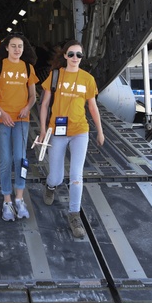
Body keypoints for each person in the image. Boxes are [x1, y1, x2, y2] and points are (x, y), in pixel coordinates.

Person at [36, 40, 104, 240]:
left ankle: (74, 215)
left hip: (79, 131)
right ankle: (50, 186)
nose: (75, 58)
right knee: (56, 176)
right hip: (57, 131)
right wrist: (42, 129)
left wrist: (99, 131)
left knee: (76, 176)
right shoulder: (55, 75)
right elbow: (44, 103)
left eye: (79, 55)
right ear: (65, 56)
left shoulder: (88, 79)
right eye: (71, 54)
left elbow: (92, 107)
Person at [0, 33, 39, 221]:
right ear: (7, 48)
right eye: (13, 46)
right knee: (5, 159)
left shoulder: (28, 67)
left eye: (20, 46)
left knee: (21, 158)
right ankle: (7, 201)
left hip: (20, 119)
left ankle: (19, 199)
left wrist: (27, 108)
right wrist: (2, 113)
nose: (17, 49)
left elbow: (33, 95)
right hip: (3, 119)